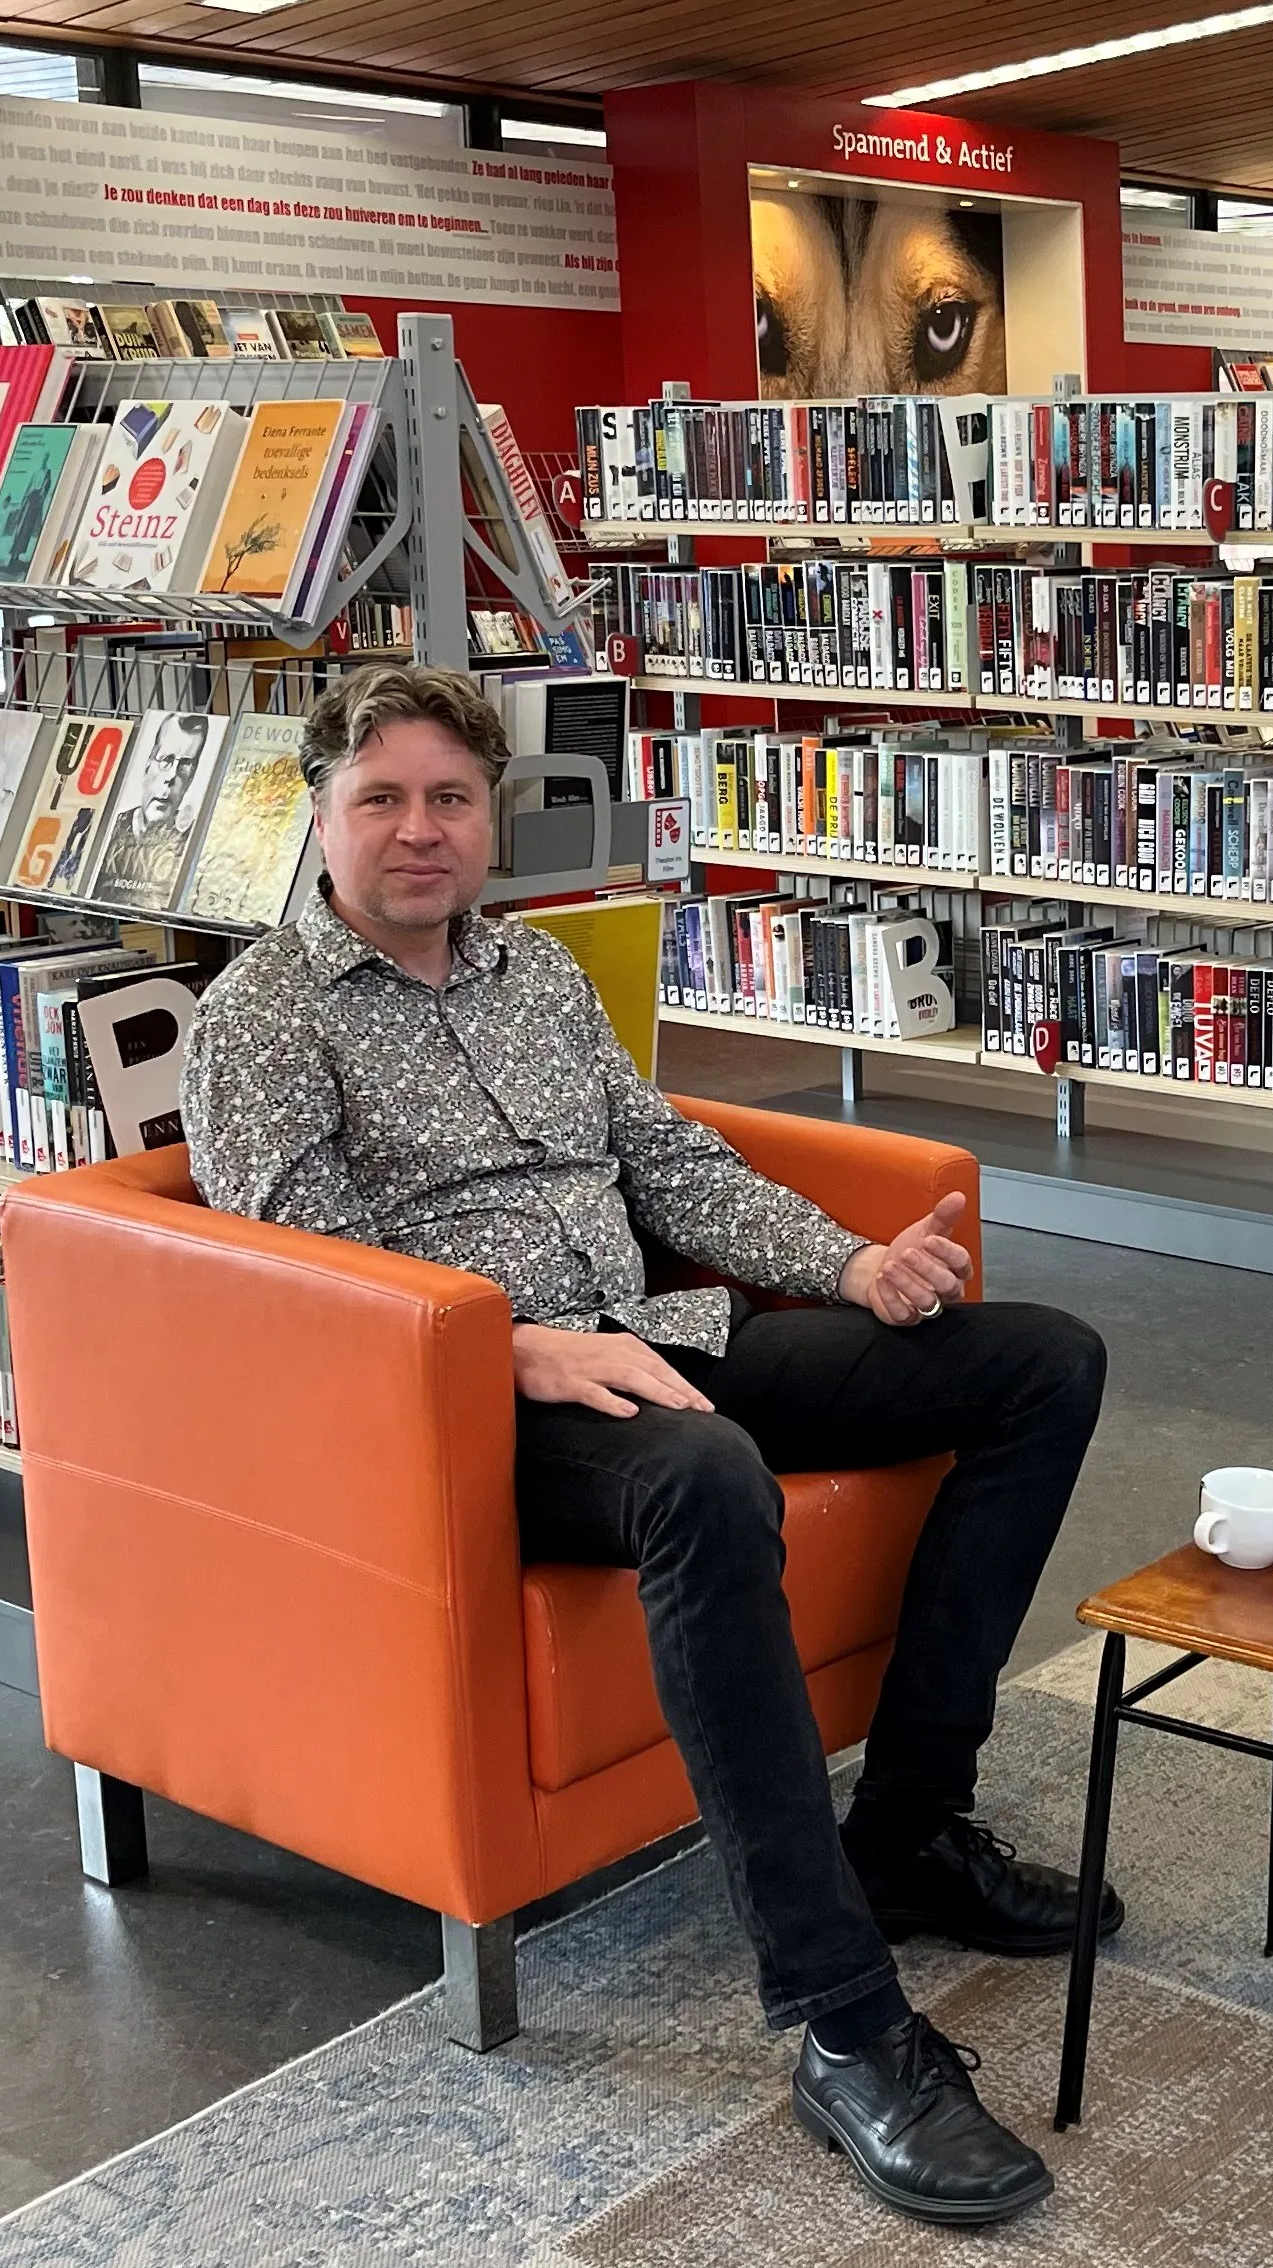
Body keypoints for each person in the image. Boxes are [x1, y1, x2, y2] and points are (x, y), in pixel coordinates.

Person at [180, 664, 1111, 2228]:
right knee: (704, 1475)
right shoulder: (258, 1023)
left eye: (451, 800)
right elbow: (308, 1284)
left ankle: (908, 1828)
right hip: (471, 1408)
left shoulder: (536, 977)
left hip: (655, 1340)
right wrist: (525, 1347)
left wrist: (849, 1265)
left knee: (1036, 1363)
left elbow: (668, 1161)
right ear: (320, 818)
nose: (420, 833)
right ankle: (842, 2019)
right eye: (383, 800)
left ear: (492, 820)